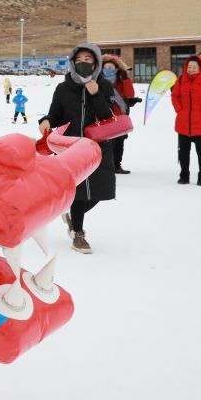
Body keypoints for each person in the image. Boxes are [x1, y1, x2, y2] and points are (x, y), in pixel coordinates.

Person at [38, 44, 115, 254]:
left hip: (99, 147)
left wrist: (96, 94)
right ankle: (78, 234)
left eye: (88, 59)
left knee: (102, 190)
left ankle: (72, 216)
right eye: (79, 59)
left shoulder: (105, 86)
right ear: (73, 62)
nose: (83, 63)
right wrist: (46, 120)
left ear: (96, 63)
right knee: (79, 192)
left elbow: (109, 117)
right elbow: (55, 114)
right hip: (70, 149)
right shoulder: (63, 88)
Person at [171, 55, 201, 186]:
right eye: (189, 67)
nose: (190, 69)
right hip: (183, 122)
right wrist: (179, 110)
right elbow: (175, 96)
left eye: (194, 67)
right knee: (184, 152)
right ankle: (184, 175)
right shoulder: (180, 80)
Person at [101, 55, 140, 174]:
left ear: (117, 69)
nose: (108, 69)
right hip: (104, 116)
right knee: (106, 143)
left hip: (119, 117)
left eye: (111, 67)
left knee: (119, 142)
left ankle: (117, 165)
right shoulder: (98, 80)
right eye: (105, 67)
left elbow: (129, 94)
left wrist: (126, 79)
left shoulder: (121, 81)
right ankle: (105, 167)